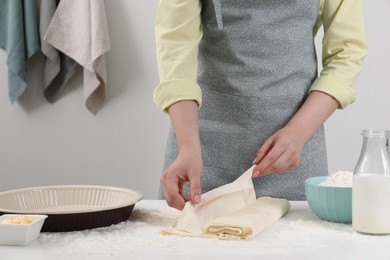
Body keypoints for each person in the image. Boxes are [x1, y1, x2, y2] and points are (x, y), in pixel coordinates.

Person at [153, 0, 368, 210]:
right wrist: (188, 146)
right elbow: (176, 49)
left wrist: (298, 132)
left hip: (294, 152)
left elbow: (346, 54)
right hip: (199, 151)